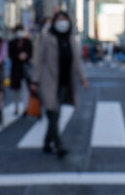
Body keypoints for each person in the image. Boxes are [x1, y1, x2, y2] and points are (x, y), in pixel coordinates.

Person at [31, 11, 89, 158]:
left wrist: (83, 78)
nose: (62, 22)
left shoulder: (71, 40)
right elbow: (40, 60)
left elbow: (77, 61)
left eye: (64, 19)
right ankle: (59, 144)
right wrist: (35, 80)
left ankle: (46, 142)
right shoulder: (48, 38)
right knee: (53, 112)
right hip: (48, 80)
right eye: (59, 19)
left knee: (56, 114)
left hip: (65, 82)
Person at [8, 25, 32, 114]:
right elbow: (10, 54)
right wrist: (18, 56)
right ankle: (16, 107)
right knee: (16, 90)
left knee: (25, 89)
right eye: (18, 31)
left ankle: (26, 107)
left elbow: (30, 53)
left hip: (25, 68)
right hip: (15, 68)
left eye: (21, 30)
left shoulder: (27, 42)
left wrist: (26, 56)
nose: (20, 33)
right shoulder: (12, 42)